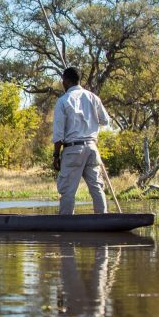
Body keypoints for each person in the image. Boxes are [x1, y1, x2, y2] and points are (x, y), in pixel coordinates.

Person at [52, 67, 110, 215]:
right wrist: (89, 121)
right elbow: (105, 121)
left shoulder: (63, 101)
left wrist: (56, 155)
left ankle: (66, 221)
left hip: (73, 149)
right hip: (92, 148)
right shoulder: (93, 97)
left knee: (68, 190)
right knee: (96, 187)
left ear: (66, 81)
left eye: (63, 80)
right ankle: (102, 218)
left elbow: (58, 133)